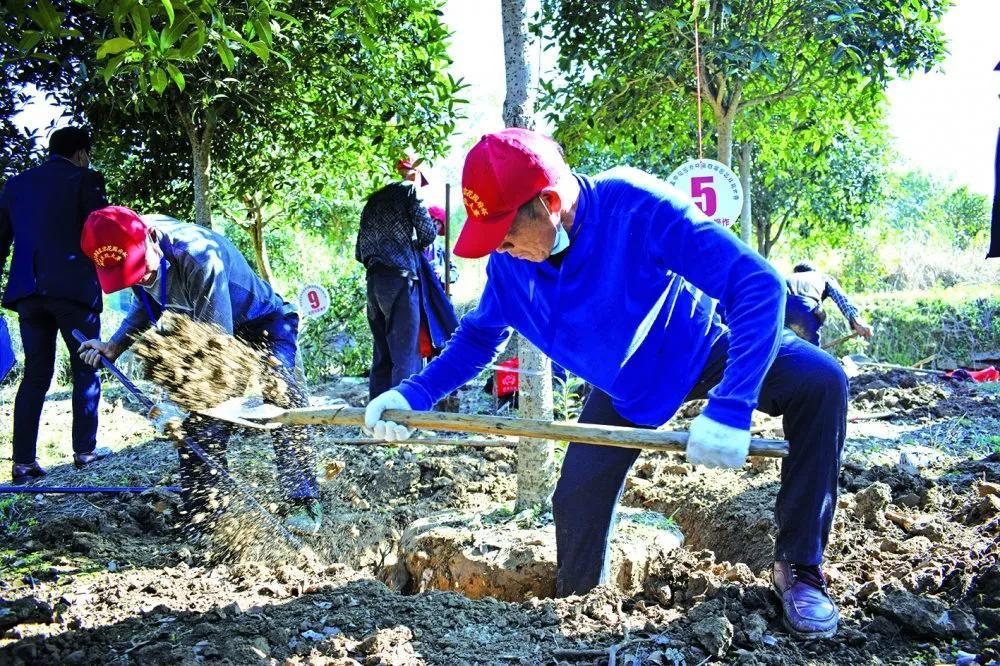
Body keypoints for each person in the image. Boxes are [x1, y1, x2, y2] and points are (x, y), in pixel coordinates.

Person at [365, 128, 848, 640]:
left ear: (549, 203)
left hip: (704, 344)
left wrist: (732, 404)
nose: (499, 250)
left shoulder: (633, 207)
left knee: (822, 381)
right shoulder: (510, 266)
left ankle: (799, 567)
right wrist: (410, 395)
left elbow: (756, 283)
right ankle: (576, 608)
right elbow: (477, 338)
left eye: (506, 234)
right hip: (625, 386)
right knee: (575, 500)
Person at [76, 207, 322, 535]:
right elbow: (146, 302)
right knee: (202, 427)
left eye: (140, 270)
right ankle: (205, 512)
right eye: (128, 276)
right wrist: (115, 345)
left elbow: (215, 352)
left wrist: (174, 402)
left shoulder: (198, 258)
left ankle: (302, 499)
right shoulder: (134, 255)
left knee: (282, 397)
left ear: (149, 239)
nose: (141, 279)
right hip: (211, 330)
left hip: (264, 322)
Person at [0, 126, 111, 484]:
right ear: (81, 152)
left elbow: (1, 242)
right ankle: (85, 451)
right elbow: (102, 233)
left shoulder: (15, 185)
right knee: (86, 367)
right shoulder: (86, 179)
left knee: (35, 374)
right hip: (73, 292)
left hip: (28, 294)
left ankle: (23, 463)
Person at [356, 156, 438, 400]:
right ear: (413, 174)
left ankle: (377, 416)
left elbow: (360, 252)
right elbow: (427, 234)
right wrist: (410, 245)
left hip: (374, 283)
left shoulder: (371, 202)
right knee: (406, 353)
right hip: (400, 280)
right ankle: (401, 420)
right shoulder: (410, 194)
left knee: (382, 354)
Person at [784, 262, 873, 346]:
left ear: (796, 271)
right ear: (813, 271)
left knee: (779, 352)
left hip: (780, 309)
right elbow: (841, 299)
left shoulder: (786, 278)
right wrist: (857, 322)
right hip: (806, 309)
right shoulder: (821, 277)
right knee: (812, 357)